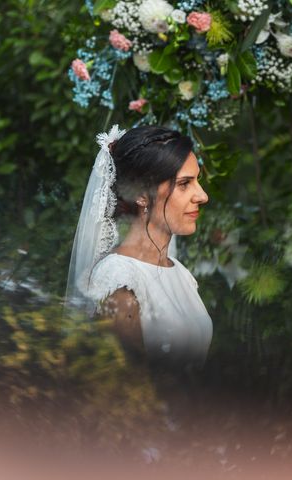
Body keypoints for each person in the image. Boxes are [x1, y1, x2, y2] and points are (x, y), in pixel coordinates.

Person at [66, 125, 213, 368]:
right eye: (185, 184)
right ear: (141, 194)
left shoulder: (181, 273)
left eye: (197, 181)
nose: (203, 196)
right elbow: (127, 391)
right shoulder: (119, 279)